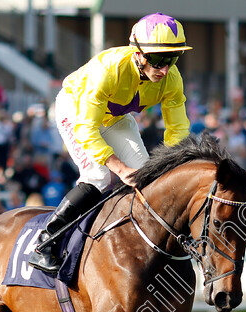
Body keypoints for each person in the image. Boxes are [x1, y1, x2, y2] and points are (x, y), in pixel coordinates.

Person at [29, 13, 192, 273]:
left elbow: (178, 130)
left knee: (147, 179)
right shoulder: (108, 69)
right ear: (137, 53)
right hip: (75, 110)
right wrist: (119, 167)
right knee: (99, 176)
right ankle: (44, 243)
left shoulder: (172, 80)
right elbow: (86, 127)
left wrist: (175, 168)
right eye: (159, 59)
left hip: (115, 116)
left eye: (172, 59)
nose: (164, 69)